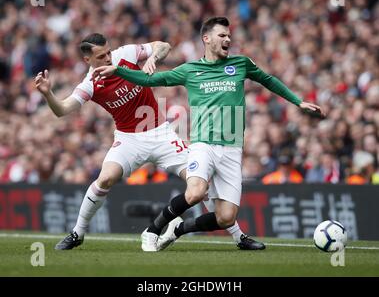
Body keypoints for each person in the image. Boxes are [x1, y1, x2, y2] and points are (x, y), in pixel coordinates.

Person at [92, 17, 325, 252]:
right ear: (207, 38)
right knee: (195, 192)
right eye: (222, 35)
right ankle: (153, 229)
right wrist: (118, 70)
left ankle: (178, 229)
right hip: (203, 145)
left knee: (225, 217)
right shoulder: (190, 70)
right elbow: (150, 79)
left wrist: (298, 102)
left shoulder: (241, 64)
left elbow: (268, 80)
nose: (228, 39)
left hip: (233, 148)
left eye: (229, 36)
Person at [35, 33, 256, 251]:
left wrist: (153, 58)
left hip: (161, 133)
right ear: (88, 60)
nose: (108, 58)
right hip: (129, 138)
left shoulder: (126, 55)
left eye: (108, 52)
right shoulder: (90, 85)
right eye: (101, 56)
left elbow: (164, 45)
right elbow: (62, 110)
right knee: (105, 179)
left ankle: (238, 236)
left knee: (199, 182)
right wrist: (48, 94)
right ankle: (77, 233)